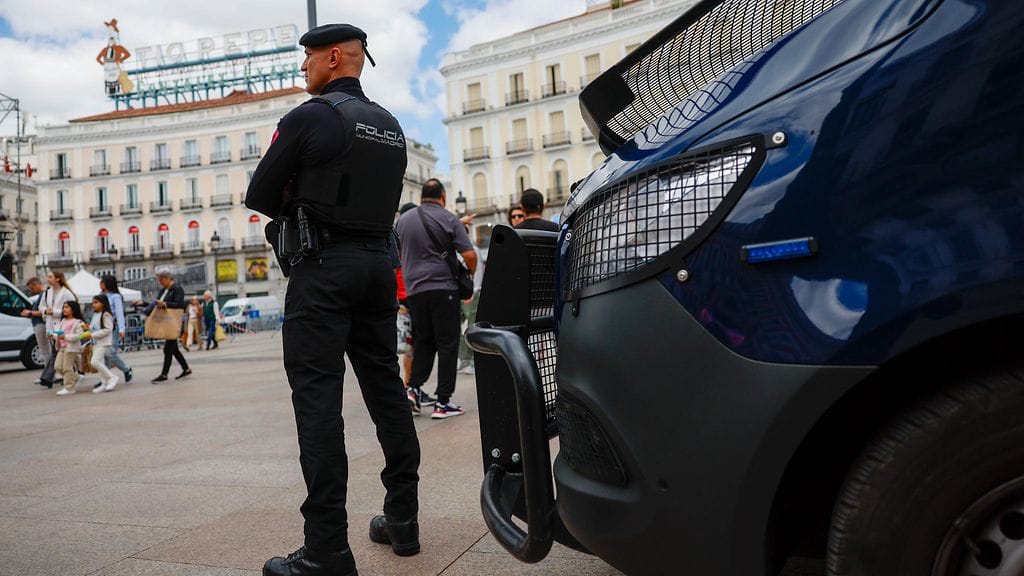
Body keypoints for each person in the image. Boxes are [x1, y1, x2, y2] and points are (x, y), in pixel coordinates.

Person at [245, 23, 421, 576]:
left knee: (317, 401)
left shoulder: (310, 116)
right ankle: (403, 519)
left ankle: (326, 548)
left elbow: (260, 194)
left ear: (335, 57)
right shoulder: (391, 127)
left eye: (307, 59)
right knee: (386, 389)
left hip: (323, 269)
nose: (303, 69)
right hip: (376, 266)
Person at [396, 178, 477, 419]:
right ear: (443, 196)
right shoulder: (448, 218)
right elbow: (470, 255)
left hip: (415, 292)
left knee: (424, 342)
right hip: (444, 289)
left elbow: (395, 255)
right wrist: (469, 273)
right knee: (448, 344)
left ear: (422, 196)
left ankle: (412, 390)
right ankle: (443, 402)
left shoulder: (403, 222)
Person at [134, 270, 190, 383]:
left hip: (172, 322)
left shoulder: (177, 289)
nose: (160, 282)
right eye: (159, 280)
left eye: (162, 279)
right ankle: (186, 368)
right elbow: (156, 303)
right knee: (173, 349)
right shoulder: (163, 290)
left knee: (168, 349)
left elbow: (180, 304)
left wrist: (165, 304)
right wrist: (144, 303)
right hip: (166, 322)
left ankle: (164, 374)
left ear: (169, 278)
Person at [38, 271, 76, 389]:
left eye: (50, 277)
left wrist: (54, 312)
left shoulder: (66, 293)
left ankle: (47, 377)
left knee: (57, 351)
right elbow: (41, 306)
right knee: (58, 351)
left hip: (62, 325)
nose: (48, 279)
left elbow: (73, 307)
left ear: (58, 279)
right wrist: (45, 311)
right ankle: (74, 373)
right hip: (50, 326)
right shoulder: (47, 293)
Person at [99, 275, 133, 384]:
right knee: (103, 353)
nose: (100, 283)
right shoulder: (100, 295)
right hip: (102, 327)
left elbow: (119, 313)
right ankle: (106, 377)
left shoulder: (115, 297)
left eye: (102, 282)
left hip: (113, 326)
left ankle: (126, 369)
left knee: (110, 352)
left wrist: (122, 328)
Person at [52, 300, 88, 396]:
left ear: (73, 309)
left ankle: (69, 388)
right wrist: (53, 335)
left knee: (67, 368)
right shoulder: (63, 321)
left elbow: (78, 336)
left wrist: (65, 337)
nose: (64, 309)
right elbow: (58, 333)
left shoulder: (78, 322)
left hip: (71, 348)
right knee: (58, 367)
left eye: (67, 307)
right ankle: (76, 377)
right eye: (64, 307)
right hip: (62, 347)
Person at [20, 277, 50, 386]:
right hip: (39, 324)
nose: (31, 290)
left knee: (45, 350)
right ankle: (47, 374)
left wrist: (30, 313)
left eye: (32, 287)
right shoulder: (43, 295)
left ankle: (48, 375)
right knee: (45, 350)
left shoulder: (44, 295)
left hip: (41, 324)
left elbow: (44, 312)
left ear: (37, 284)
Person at [87, 294, 119, 393]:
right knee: (100, 362)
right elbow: (92, 328)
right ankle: (104, 383)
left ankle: (112, 377)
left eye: (96, 302)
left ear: (103, 303)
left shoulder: (106, 315)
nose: (93, 304)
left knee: (94, 362)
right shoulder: (95, 314)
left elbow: (108, 330)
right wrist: (87, 328)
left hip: (103, 342)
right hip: (95, 342)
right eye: (93, 302)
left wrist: (93, 334)